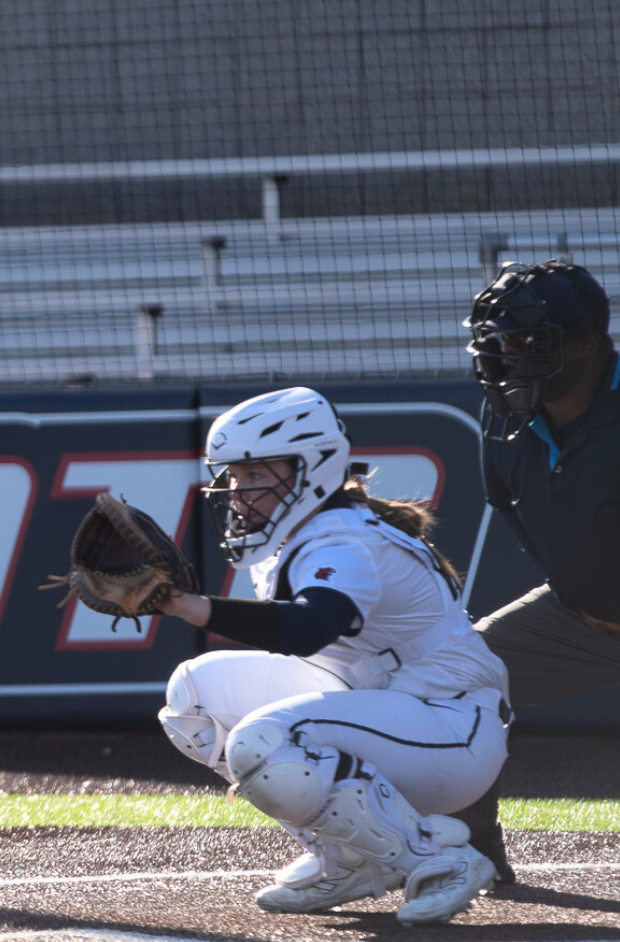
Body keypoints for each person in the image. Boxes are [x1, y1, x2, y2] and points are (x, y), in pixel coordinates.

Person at [154, 386, 510, 926]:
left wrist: (192, 608)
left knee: (265, 740)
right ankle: (349, 857)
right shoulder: (309, 532)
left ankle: (439, 858)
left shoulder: (340, 539)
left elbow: (310, 628)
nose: (237, 490)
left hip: (449, 726)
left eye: (255, 475)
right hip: (390, 707)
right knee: (194, 697)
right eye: (234, 475)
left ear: (310, 469)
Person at [450, 259, 620, 885]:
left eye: (523, 343)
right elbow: (514, 513)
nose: (501, 359)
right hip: (580, 616)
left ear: (586, 344)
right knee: (455, 676)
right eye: (494, 343)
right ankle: (466, 853)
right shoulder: (504, 419)